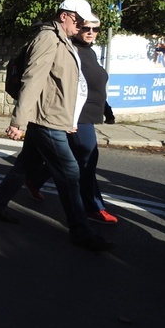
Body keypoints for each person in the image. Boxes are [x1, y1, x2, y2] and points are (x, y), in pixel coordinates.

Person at [0, 0, 115, 252]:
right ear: (64, 15)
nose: (81, 26)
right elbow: (33, 80)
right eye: (78, 20)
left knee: (23, 167)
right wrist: (18, 121)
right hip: (45, 120)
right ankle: (80, 230)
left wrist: (70, 119)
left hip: (53, 117)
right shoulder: (48, 39)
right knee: (70, 173)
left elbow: (65, 87)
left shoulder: (64, 40)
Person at [25, 20, 118, 224]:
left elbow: (94, 86)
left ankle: (35, 180)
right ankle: (93, 207)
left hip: (90, 114)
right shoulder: (70, 50)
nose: (91, 32)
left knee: (70, 157)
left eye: (96, 29)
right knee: (88, 158)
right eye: (86, 28)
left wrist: (107, 110)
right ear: (77, 28)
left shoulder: (90, 52)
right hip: (76, 115)